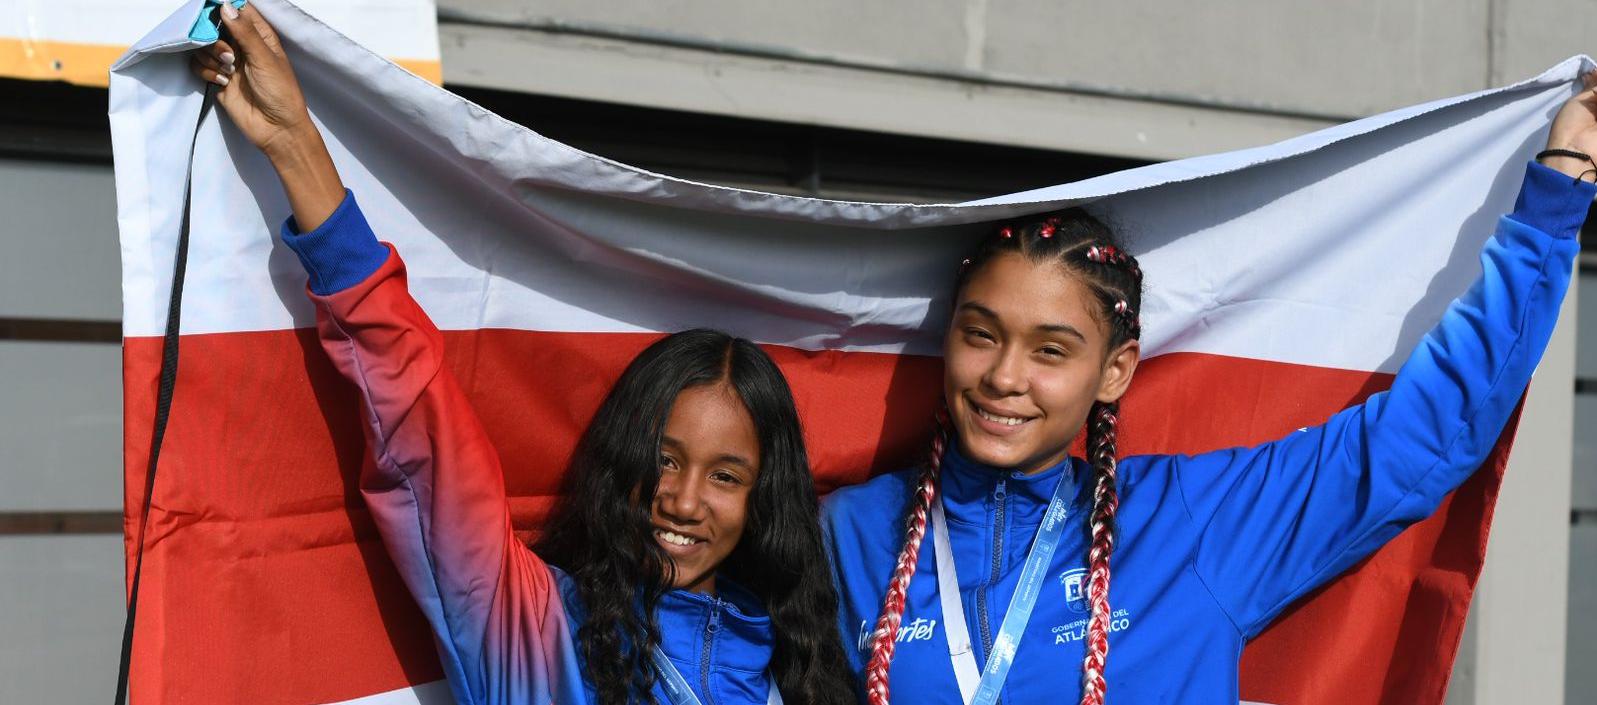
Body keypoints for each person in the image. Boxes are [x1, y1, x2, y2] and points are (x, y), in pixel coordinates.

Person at [821, 79, 1597, 703]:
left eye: (1050, 349)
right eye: (980, 334)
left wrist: (1557, 190)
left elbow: (1419, 436)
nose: (1003, 376)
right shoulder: (848, 532)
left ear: (1114, 370)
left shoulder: (1186, 524)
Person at [188, 5, 855, 705]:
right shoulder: (536, 632)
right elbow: (427, 443)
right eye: (663, 459)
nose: (684, 501)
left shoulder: (803, 669)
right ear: (619, 459)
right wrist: (293, 141)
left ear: (762, 499)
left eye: (725, 475)